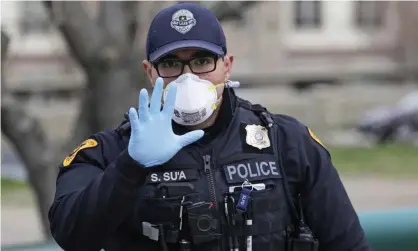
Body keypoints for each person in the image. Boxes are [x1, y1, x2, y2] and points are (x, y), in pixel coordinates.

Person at [49, 3, 371, 251]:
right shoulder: (111, 152)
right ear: (151, 72)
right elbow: (72, 236)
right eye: (171, 64)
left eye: (203, 61)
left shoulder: (287, 141)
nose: (189, 77)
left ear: (226, 66)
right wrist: (130, 168)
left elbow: (347, 243)